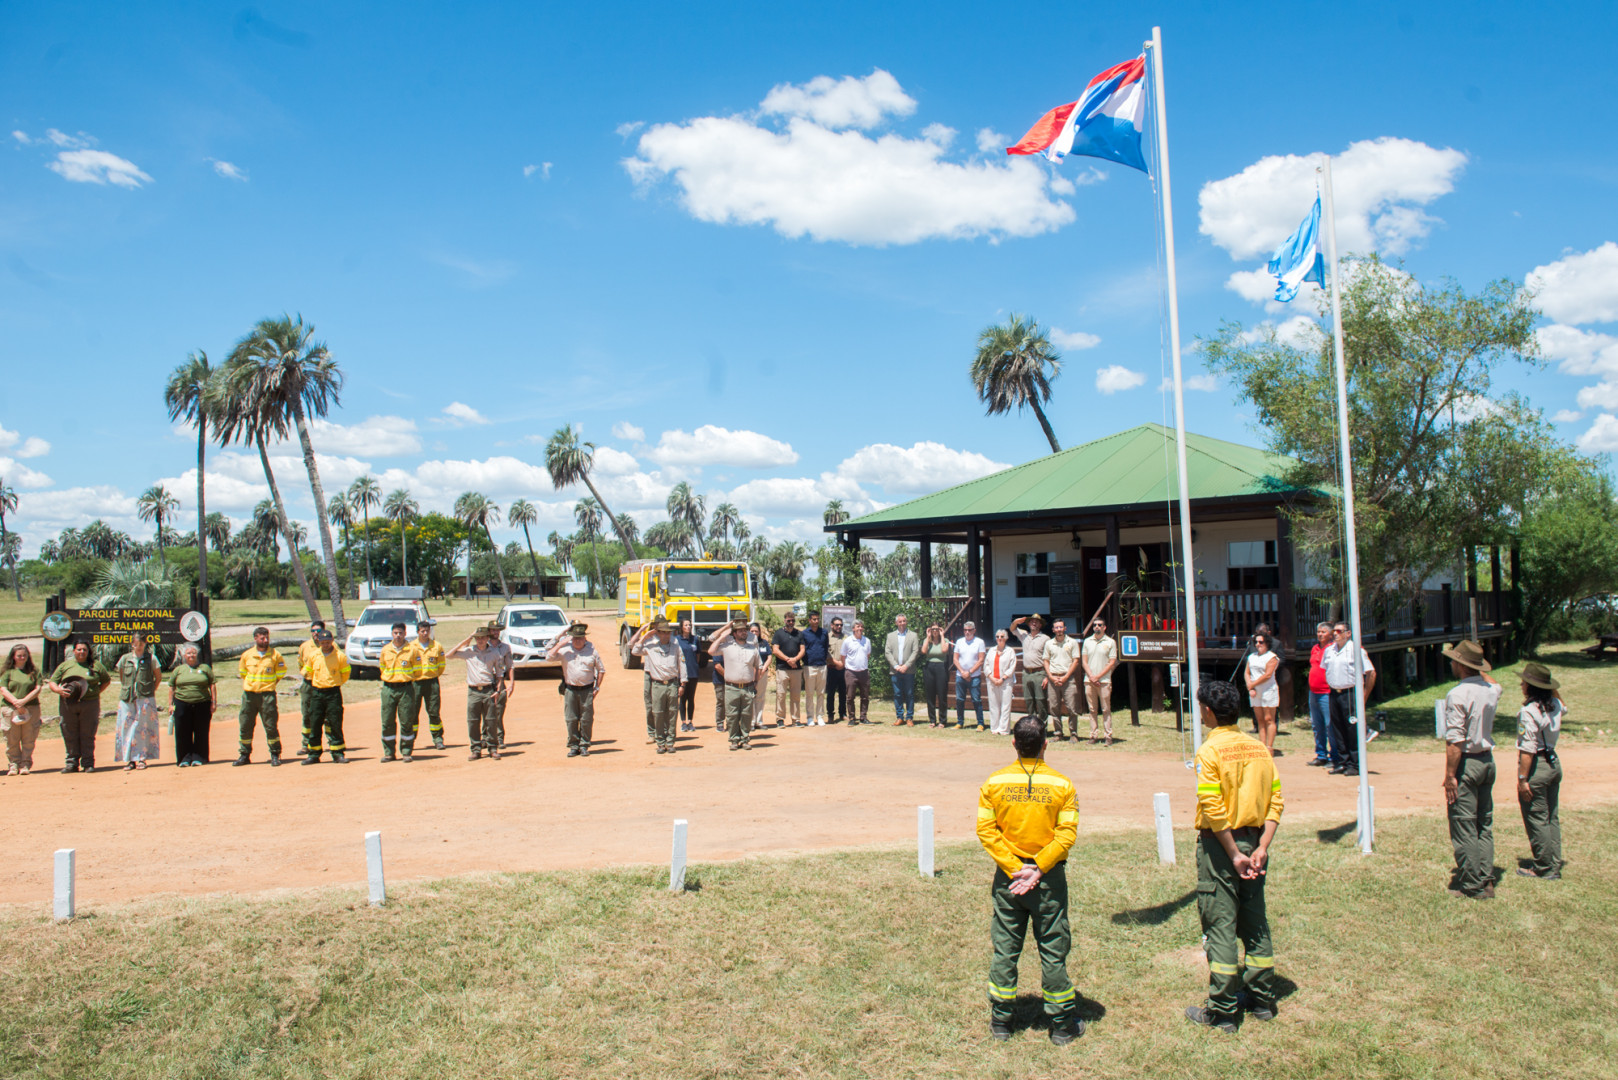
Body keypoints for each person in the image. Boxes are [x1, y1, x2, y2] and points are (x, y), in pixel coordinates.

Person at [1184, 679, 1284, 1034]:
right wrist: (1261, 847)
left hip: (1220, 846)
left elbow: (1212, 806)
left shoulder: (1209, 752)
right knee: (1255, 921)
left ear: (1208, 712)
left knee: (1220, 923)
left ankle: (1223, 1009)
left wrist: (1232, 852)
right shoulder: (1259, 749)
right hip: (1256, 842)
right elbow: (1276, 801)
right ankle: (1261, 999)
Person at [976, 715, 1083, 1045]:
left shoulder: (994, 783)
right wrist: (1038, 868)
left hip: (1009, 880)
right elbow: (1066, 834)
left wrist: (1012, 866)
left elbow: (985, 830)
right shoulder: (1063, 785)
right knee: (1052, 947)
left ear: (1013, 743)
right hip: (1047, 879)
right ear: (1045, 744)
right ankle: (1062, 1024)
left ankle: (1001, 1021)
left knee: (1006, 947)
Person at [1441, 640, 1501, 899]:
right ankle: (1485, 877)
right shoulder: (1491, 690)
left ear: (1460, 665)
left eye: (1455, 660)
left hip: (1466, 762)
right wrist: (1477, 664)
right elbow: (1494, 682)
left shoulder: (1457, 694)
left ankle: (1472, 884)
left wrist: (1450, 775)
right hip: (1487, 760)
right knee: (1483, 823)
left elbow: (1455, 741)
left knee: (1464, 824)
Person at [1514, 662, 1565, 881]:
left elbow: (1528, 749)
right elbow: (1563, 703)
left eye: (1525, 681)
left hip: (1537, 766)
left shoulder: (1528, 712)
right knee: (1551, 816)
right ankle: (1553, 861)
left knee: (1536, 817)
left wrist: (1523, 779)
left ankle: (1544, 867)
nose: (1521, 684)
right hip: (1553, 762)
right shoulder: (1555, 704)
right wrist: (1550, 686)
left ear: (1531, 686)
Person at [47, 640, 112, 773]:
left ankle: (88, 763)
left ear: (88, 652)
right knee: (69, 732)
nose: (82, 652)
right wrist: (58, 691)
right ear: (74, 651)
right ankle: (72, 762)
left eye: (84, 650)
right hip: (68, 704)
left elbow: (106, 680)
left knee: (88, 733)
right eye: (79, 649)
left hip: (90, 704)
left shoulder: (95, 665)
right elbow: (53, 682)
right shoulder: (65, 666)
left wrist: (95, 692)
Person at [1320, 623, 1375, 775]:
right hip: (1334, 693)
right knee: (1337, 728)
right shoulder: (1329, 650)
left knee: (1352, 730)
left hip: (1350, 693)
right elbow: (1325, 669)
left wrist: (1363, 696)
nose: (1336, 634)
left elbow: (1371, 673)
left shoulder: (1356, 650)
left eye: (1339, 631)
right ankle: (1342, 762)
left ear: (1348, 633)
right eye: (1334, 631)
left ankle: (1355, 764)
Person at [547, 622, 606, 757]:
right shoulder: (565, 651)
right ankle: (574, 745)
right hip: (570, 690)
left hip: (587, 690)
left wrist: (597, 687)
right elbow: (548, 656)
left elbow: (601, 670)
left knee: (586, 719)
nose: (577, 641)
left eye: (580, 638)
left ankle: (584, 745)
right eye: (574, 638)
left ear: (585, 638)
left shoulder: (592, 651)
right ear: (571, 638)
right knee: (571, 718)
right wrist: (561, 641)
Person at [449, 626, 506, 760]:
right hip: (473, 692)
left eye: (482, 637)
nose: (480, 640)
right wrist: (468, 638)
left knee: (491, 720)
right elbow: (449, 655)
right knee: (473, 721)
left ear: (487, 638)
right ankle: (476, 748)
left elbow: (500, 674)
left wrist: (498, 690)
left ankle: (492, 748)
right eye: (477, 638)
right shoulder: (469, 651)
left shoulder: (494, 653)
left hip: (488, 690)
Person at [632, 619, 687, 754]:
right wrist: (645, 636)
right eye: (662, 633)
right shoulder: (651, 646)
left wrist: (683, 684)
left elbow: (682, 665)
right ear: (658, 633)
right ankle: (660, 742)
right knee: (658, 713)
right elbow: (634, 650)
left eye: (667, 633)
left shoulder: (675, 647)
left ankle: (670, 741)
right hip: (657, 685)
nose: (665, 636)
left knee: (672, 713)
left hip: (672, 684)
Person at [236, 626, 288, 766]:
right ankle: (244, 755)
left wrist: (270, 684)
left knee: (270, 726)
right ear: (255, 638)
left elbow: (281, 672)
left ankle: (275, 754)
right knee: (246, 725)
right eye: (262, 638)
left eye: (267, 638)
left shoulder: (275, 655)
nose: (265, 640)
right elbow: (243, 673)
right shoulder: (247, 655)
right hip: (249, 696)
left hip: (267, 696)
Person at [710, 618, 764, 750]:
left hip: (747, 686)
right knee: (732, 715)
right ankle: (734, 739)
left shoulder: (753, 649)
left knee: (746, 715)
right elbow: (711, 651)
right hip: (731, 687)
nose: (743, 633)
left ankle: (745, 739)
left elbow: (759, 666)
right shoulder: (727, 647)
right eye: (740, 631)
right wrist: (722, 636)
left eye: (744, 630)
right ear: (734, 633)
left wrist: (756, 682)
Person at [300, 628, 350, 764]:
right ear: (319, 642)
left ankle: (338, 752)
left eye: (328, 642)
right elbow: (308, 672)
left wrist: (335, 682)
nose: (326, 645)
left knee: (335, 722)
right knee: (315, 723)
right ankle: (314, 754)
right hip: (317, 692)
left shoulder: (340, 656)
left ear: (332, 641)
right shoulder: (314, 655)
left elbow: (345, 674)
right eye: (323, 642)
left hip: (333, 693)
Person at [114, 633, 162, 770]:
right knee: (127, 726)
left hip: (145, 697)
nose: (139, 647)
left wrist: (150, 690)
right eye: (136, 644)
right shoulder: (125, 659)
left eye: (141, 644)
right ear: (132, 644)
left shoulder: (151, 658)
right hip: (127, 698)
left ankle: (142, 757)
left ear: (145, 644)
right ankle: (129, 759)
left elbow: (158, 677)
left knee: (143, 728)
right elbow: (122, 676)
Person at [378, 622, 424, 763]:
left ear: (405, 634)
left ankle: (406, 752)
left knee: (406, 721)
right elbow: (382, 667)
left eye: (400, 633)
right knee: (387, 721)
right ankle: (389, 753)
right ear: (392, 634)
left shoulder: (412, 650)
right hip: (388, 689)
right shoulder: (385, 650)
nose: (398, 636)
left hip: (406, 689)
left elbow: (417, 671)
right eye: (395, 633)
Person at [168, 643, 217, 766]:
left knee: (201, 731)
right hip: (181, 703)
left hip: (202, 703)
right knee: (182, 732)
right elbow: (171, 687)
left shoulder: (205, 668)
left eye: (193, 653)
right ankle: (184, 758)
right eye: (189, 653)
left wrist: (214, 702)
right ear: (184, 655)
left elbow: (212, 684)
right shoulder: (179, 670)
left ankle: (199, 757)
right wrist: (170, 705)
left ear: (197, 654)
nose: (191, 655)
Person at [1, 643, 43, 775]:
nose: (22, 657)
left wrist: (24, 701)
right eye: (19, 655)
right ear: (13, 656)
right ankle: (14, 764)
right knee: (11, 737)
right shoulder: (7, 671)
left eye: (24, 655)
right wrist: (16, 702)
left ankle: (25, 763)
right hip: (10, 708)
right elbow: (3, 689)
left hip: (31, 707)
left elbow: (38, 688)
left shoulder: (34, 671)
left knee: (28, 737)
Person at [1010, 615, 1051, 730]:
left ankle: (1043, 727)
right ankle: (1032, 726)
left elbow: (1049, 658)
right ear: (1028, 624)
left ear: (1040, 625)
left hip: (1039, 672)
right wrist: (1016, 622)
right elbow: (1012, 629)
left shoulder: (1045, 638)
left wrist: (1047, 676)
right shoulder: (1024, 636)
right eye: (1032, 622)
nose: (1034, 623)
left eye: (1036, 622)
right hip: (1026, 673)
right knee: (1029, 700)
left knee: (1041, 700)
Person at [1042, 620, 1080, 741]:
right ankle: (1058, 733)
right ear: (1053, 630)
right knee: (1054, 708)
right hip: (1053, 678)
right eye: (1056, 627)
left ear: (1065, 628)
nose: (1058, 629)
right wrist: (1050, 677)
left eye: (1060, 627)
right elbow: (1046, 661)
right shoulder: (1049, 644)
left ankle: (1073, 734)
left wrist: (1065, 677)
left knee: (1072, 708)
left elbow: (1076, 661)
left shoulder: (1072, 642)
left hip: (1068, 679)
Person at [1245, 631, 1281, 756]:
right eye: (1256, 642)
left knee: (1269, 719)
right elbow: (1247, 672)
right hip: (1256, 692)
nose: (1258, 644)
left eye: (1261, 642)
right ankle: (1262, 745)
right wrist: (1250, 687)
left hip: (1268, 690)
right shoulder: (1252, 656)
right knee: (1259, 719)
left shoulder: (1272, 657)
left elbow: (1268, 675)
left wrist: (1253, 684)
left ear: (1267, 643)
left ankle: (1269, 746)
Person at [414, 621, 447, 750]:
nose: (425, 633)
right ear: (418, 632)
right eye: (422, 631)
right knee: (412, 713)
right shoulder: (411, 647)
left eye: (427, 631)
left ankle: (438, 738)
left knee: (434, 712)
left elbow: (441, 666)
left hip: (432, 682)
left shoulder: (436, 646)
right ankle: (410, 739)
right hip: (415, 683)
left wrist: (432, 675)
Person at [772, 611, 807, 727]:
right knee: (781, 695)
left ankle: (796, 719)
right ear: (784, 620)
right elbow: (775, 650)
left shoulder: (799, 634)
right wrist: (788, 660)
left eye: (792, 621)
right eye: (788, 620)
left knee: (796, 695)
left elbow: (802, 649)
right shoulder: (778, 634)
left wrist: (795, 659)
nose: (791, 623)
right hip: (782, 669)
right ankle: (780, 719)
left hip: (796, 670)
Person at [1305, 623, 1333, 766]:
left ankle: (1334, 756)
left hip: (1326, 692)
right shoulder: (1315, 648)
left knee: (1329, 725)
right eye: (1318, 632)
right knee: (1317, 725)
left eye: (1323, 632)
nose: (1320, 634)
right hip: (1313, 692)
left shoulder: (1333, 649)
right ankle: (1321, 755)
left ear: (1330, 634)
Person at [885, 613, 921, 725]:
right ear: (896, 623)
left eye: (904, 621)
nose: (902, 623)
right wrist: (896, 666)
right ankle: (900, 717)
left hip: (908, 670)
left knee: (909, 694)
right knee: (897, 694)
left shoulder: (913, 635)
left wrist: (906, 666)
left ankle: (909, 717)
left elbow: (915, 652)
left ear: (907, 622)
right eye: (900, 621)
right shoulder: (890, 636)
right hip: (895, 670)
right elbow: (887, 652)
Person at [296, 620, 325, 756]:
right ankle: (306, 744)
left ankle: (333, 743)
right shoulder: (305, 647)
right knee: (307, 714)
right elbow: (300, 663)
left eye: (318, 631)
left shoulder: (331, 645)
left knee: (328, 716)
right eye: (313, 631)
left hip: (324, 685)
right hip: (309, 684)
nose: (315, 633)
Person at [984, 629, 1019, 735]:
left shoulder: (1010, 651)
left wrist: (1002, 678)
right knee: (994, 705)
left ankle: (1004, 729)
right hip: (992, 682)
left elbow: (1012, 667)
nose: (999, 639)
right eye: (998, 636)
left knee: (1005, 706)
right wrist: (991, 677)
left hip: (1005, 682)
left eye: (1002, 636)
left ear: (1006, 638)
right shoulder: (991, 651)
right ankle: (994, 728)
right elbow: (986, 665)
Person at [487, 620, 515, 751]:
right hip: (487, 680)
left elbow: (510, 665)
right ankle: (485, 737)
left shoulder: (505, 647)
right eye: (493, 630)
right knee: (485, 709)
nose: (495, 632)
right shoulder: (483, 645)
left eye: (497, 630)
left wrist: (511, 682)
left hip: (500, 680)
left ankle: (499, 737)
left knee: (499, 710)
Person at [953, 622, 986, 729]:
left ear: (974, 630)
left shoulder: (980, 642)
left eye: (970, 630)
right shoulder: (959, 642)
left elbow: (981, 660)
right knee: (959, 700)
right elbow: (955, 659)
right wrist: (962, 672)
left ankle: (980, 723)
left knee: (976, 700)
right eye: (965, 630)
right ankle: (960, 722)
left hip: (974, 676)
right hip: (960, 675)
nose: (967, 632)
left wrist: (970, 672)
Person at [840, 620, 873, 725]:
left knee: (865, 696)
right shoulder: (847, 641)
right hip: (851, 672)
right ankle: (852, 718)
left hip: (864, 672)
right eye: (857, 626)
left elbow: (868, 655)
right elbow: (843, 656)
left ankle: (863, 717)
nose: (860, 629)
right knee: (850, 697)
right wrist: (849, 668)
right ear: (853, 629)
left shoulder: (867, 641)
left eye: (861, 627)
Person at [800, 611, 830, 726]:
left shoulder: (824, 632)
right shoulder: (804, 633)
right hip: (809, 666)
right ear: (809, 620)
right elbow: (803, 649)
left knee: (821, 693)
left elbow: (825, 647)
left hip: (822, 666)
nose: (816, 621)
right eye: (814, 619)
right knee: (809, 693)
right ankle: (810, 717)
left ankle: (820, 716)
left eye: (817, 619)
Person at [921, 624, 952, 727]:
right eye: (933, 629)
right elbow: (923, 651)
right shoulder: (928, 642)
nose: (935, 631)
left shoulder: (945, 640)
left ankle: (942, 721)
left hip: (941, 667)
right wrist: (927, 636)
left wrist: (942, 636)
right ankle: (932, 720)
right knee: (930, 695)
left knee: (942, 694)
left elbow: (944, 650)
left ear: (940, 630)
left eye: (937, 629)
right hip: (929, 667)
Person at [674, 618, 701, 732]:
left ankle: (690, 721)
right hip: (681, 674)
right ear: (681, 627)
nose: (688, 627)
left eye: (689, 625)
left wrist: (694, 665)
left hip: (693, 672)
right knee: (682, 698)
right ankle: (683, 722)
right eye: (686, 625)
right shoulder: (677, 640)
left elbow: (698, 655)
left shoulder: (695, 639)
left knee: (691, 698)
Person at [826, 616, 848, 724]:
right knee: (831, 693)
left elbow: (850, 653)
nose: (839, 627)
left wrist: (843, 664)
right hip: (831, 669)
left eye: (841, 625)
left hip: (843, 669)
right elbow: (825, 653)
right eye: (837, 625)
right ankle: (830, 714)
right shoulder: (827, 637)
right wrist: (836, 663)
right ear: (832, 625)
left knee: (843, 693)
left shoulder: (846, 638)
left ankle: (843, 713)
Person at [750, 621, 772, 730]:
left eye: (756, 631)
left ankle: (759, 721)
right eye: (752, 631)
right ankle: (751, 722)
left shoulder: (764, 643)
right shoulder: (747, 643)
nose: (754, 633)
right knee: (751, 697)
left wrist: (763, 669)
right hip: (750, 674)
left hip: (762, 673)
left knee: (760, 697)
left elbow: (769, 657)